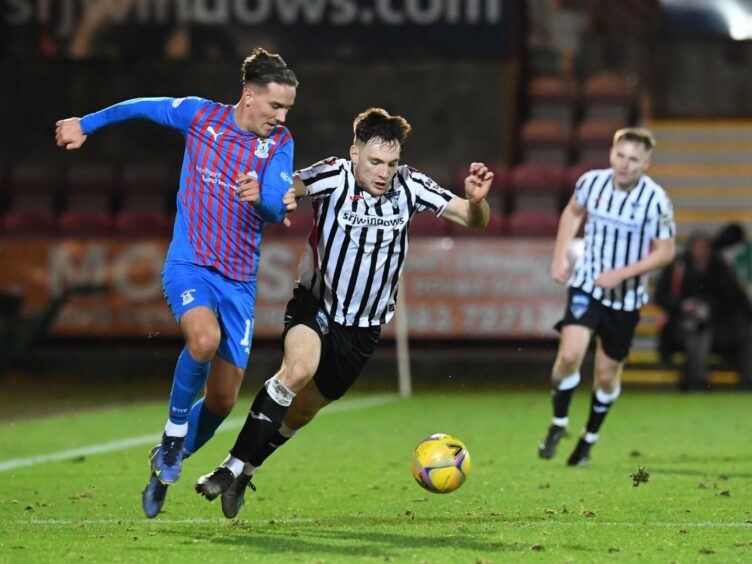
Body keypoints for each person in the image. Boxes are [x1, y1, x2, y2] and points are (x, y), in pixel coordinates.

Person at [193, 107, 494, 518]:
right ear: (354, 153)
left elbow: (472, 219)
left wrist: (477, 202)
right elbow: (292, 186)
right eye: (374, 162)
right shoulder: (334, 174)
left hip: (363, 329)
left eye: (391, 163)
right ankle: (228, 468)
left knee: (300, 412)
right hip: (316, 303)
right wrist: (276, 196)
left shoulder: (411, 185)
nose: (384, 172)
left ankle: (247, 468)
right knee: (297, 370)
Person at [55, 47, 298, 518]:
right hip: (189, 265)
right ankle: (171, 435)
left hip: (239, 284)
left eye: (286, 108)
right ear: (249, 96)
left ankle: (167, 462)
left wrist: (261, 200)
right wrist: (86, 124)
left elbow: (274, 204)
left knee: (224, 401)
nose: (281, 115)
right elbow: (140, 106)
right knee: (203, 341)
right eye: (275, 106)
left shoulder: (280, 143)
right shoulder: (200, 117)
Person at [537, 127, 676, 466]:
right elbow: (572, 212)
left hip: (626, 299)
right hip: (587, 283)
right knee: (569, 355)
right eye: (620, 156)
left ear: (645, 163)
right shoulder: (592, 182)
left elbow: (665, 252)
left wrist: (622, 274)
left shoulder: (656, 200)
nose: (624, 164)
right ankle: (558, 423)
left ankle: (589, 438)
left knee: (605, 375)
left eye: (633, 159)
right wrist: (559, 256)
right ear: (611, 154)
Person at [655, 231, 752, 391]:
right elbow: (661, 296)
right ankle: (697, 383)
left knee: (745, 333)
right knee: (696, 334)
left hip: (720, 325)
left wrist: (712, 310)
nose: (701, 251)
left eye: (704, 247)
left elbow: (736, 299)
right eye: (697, 247)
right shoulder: (678, 268)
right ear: (690, 248)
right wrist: (682, 306)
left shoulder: (721, 268)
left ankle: (747, 382)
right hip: (683, 325)